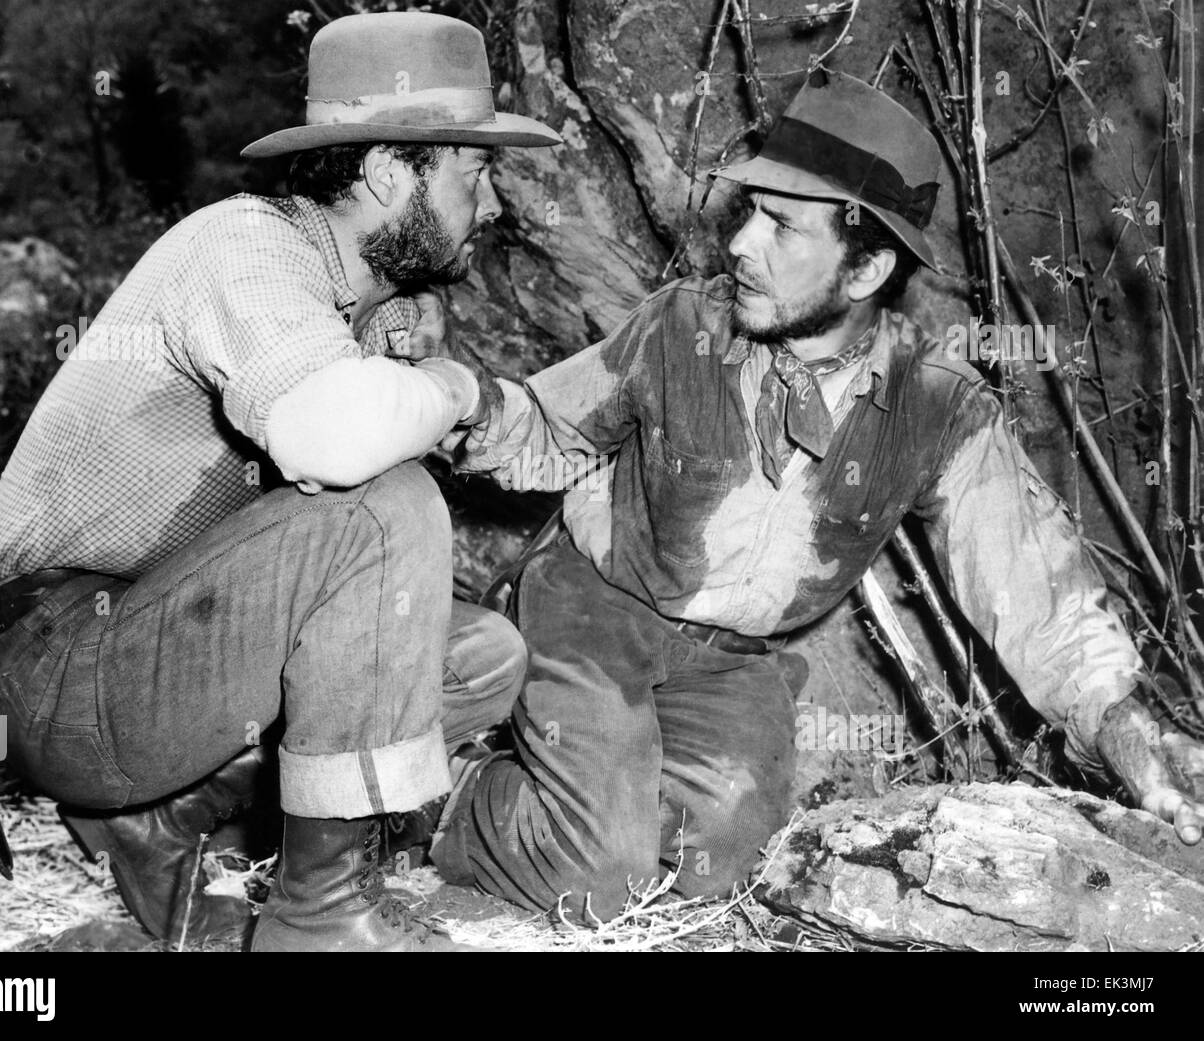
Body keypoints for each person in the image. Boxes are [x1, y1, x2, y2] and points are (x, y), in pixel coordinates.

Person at [427, 69, 1204, 923]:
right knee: (602, 876)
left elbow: (1038, 594)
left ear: (866, 267)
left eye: (783, 226)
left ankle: (574, 784)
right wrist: (465, 403)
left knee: (718, 867)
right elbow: (547, 426)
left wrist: (1136, 733)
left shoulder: (938, 405)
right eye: (751, 210)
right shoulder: (682, 324)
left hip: (732, 660)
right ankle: (453, 790)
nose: (740, 244)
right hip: (596, 613)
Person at [0, 11, 559, 952]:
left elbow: (484, 443)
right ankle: (319, 917)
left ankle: (162, 821)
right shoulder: (243, 247)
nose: (491, 207)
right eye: (473, 174)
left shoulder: (360, 303)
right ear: (391, 170)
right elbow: (338, 441)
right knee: (387, 512)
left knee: (479, 654)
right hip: (52, 661)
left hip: (144, 646)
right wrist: (454, 387)